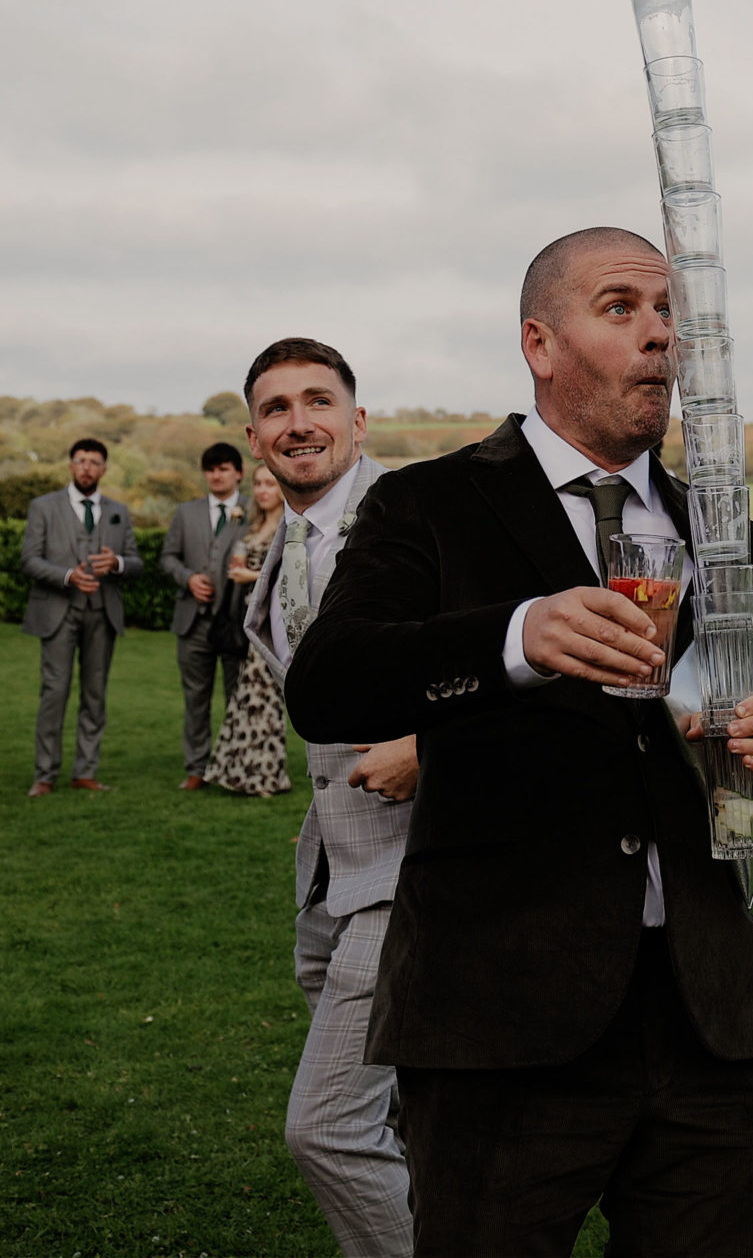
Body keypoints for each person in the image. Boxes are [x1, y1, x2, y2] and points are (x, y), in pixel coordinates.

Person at [286, 226, 753, 1257]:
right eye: (621, 308)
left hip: (715, 1025)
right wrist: (514, 637)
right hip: (499, 1020)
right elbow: (327, 682)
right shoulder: (433, 503)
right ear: (541, 344)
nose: (659, 336)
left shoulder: (724, 530)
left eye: (667, 311)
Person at [231, 337, 415, 1256]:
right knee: (407, 1113)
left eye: (317, 401)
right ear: (256, 434)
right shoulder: (284, 542)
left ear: (357, 419)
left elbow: (534, 650)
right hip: (331, 861)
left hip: (422, 866)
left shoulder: (422, 518)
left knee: (331, 1127)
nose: (298, 423)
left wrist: (437, 744)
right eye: (276, 408)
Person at [20, 436, 138, 796]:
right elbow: (29, 559)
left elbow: (136, 561)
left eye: (94, 462)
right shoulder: (43, 507)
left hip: (102, 613)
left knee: (95, 694)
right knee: (54, 692)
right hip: (58, 611)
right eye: (81, 460)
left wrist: (116, 563)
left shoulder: (119, 510)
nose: (87, 467)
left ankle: (85, 771)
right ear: (71, 465)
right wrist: (67, 575)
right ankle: (45, 774)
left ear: (103, 469)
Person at [202, 463, 291, 798]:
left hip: (271, 622)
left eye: (270, 483)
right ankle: (241, 772)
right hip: (248, 619)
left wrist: (249, 577)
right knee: (246, 696)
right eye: (258, 484)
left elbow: (291, 574)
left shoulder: (288, 525)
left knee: (262, 697)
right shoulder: (255, 524)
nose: (263, 490)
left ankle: (265, 775)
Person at [166, 441, 247, 791]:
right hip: (192, 622)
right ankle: (197, 768)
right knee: (195, 699)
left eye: (224, 469)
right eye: (211, 469)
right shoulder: (186, 512)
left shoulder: (257, 508)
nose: (216, 475)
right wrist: (188, 578)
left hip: (236, 623)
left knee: (238, 697)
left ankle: (234, 767)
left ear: (238, 473)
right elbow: (167, 557)